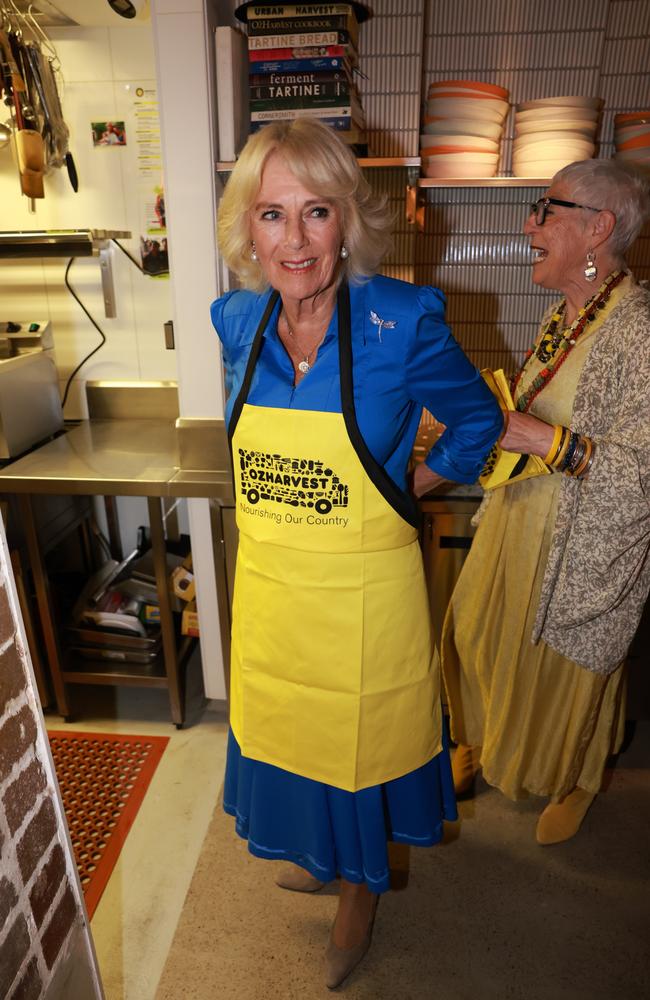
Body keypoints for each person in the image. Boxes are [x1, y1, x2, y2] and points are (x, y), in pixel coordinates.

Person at [211, 117, 503, 988]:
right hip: (273, 587)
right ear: (247, 229)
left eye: (316, 212)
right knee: (290, 733)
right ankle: (317, 850)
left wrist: (411, 484)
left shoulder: (401, 322)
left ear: (348, 223)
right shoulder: (237, 321)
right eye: (272, 215)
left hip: (364, 599)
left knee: (360, 742)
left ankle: (359, 894)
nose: (294, 240)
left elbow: (480, 421)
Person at [442, 159, 650, 846]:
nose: (529, 225)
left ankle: (577, 777)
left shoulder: (639, 331)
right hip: (517, 521)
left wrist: (543, 437)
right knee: (477, 634)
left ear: (598, 228)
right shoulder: (565, 315)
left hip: (579, 548)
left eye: (544, 209)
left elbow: (642, 470)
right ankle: (482, 740)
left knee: (570, 678)